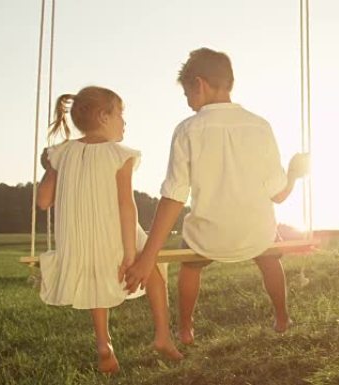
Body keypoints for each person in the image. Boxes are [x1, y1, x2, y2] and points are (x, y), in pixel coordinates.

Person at [122, 48, 309, 343]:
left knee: (189, 264)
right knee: (271, 254)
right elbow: (278, 196)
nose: (188, 103)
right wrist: (295, 175)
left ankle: (185, 327)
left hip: (208, 238)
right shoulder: (260, 126)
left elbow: (174, 197)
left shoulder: (187, 130)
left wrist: (149, 257)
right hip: (255, 236)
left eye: (187, 94)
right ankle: (282, 317)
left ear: (200, 84)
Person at [36, 86, 183, 373]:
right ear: (104, 116)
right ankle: (163, 336)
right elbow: (126, 206)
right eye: (120, 114)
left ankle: (104, 344)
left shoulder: (60, 153)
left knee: (94, 282)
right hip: (116, 236)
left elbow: (43, 202)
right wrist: (131, 256)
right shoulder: (119, 154)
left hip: (77, 244)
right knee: (152, 268)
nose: (124, 122)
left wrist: (49, 167)